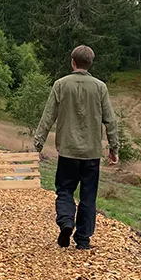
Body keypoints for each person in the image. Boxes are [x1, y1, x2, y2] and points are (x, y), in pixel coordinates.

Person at [33, 45, 119, 250]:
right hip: (91, 153)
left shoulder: (61, 85)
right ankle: (83, 239)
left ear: (72, 61)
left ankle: (66, 222)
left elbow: (48, 116)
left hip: (68, 151)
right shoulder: (100, 87)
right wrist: (114, 148)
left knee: (64, 190)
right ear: (90, 63)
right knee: (88, 196)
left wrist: (38, 143)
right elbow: (111, 120)